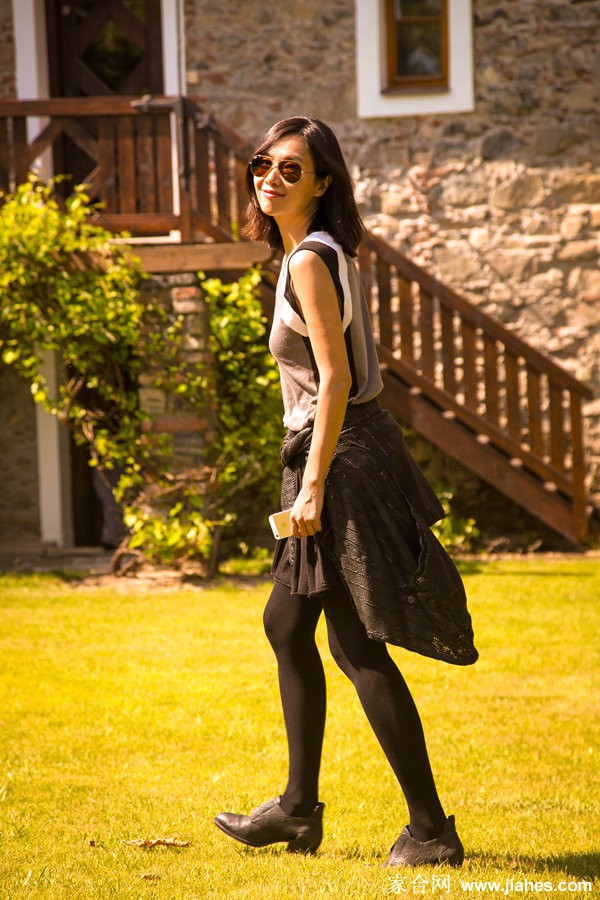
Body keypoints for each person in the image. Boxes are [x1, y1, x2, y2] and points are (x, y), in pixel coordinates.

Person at [213, 116, 478, 867]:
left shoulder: (309, 261)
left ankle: (427, 830)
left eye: (290, 169)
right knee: (291, 626)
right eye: (262, 164)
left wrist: (313, 488)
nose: (270, 178)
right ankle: (300, 809)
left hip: (338, 463)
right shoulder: (317, 252)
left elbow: (335, 379)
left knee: (353, 646)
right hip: (339, 454)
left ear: (322, 182)